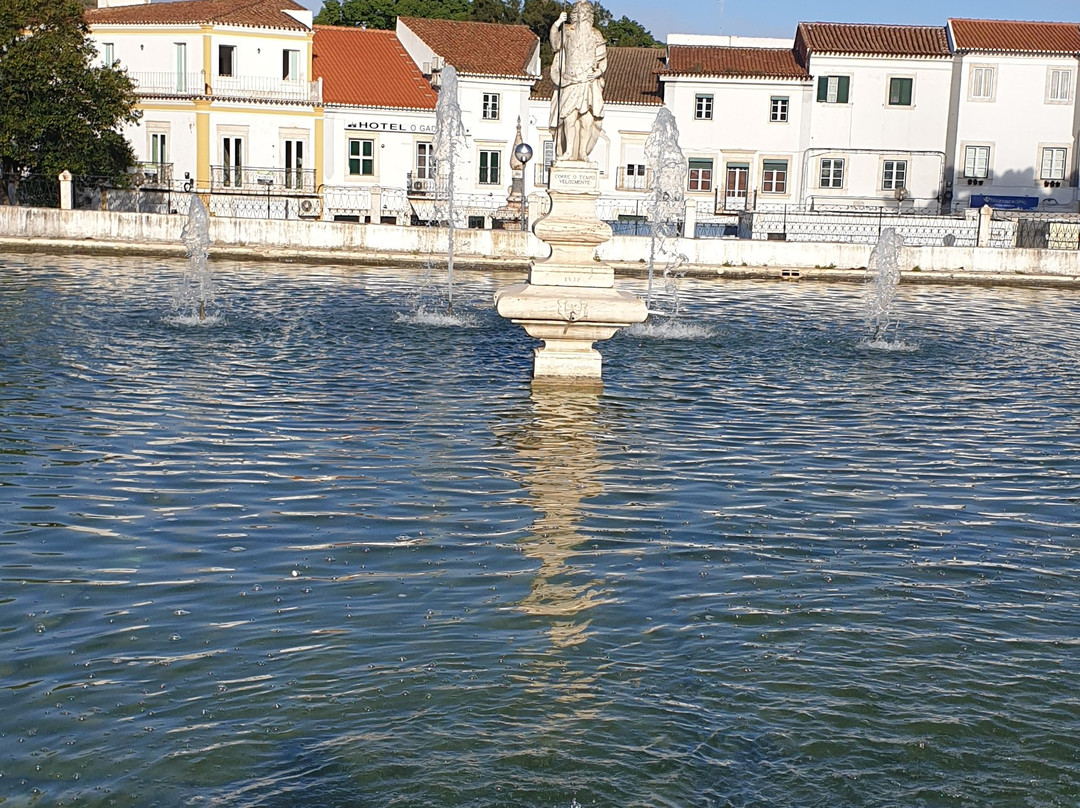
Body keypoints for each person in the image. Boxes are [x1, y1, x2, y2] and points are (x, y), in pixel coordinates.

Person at [549, 1, 607, 162]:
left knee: (587, 119)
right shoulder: (567, 31)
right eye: (582, 12)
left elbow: (603, 60)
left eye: (588, 12)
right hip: (571, 81)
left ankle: (582, 152)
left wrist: (598, 72)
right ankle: (568, 151)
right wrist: (558, 23)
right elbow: (555, 45)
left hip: (588, 82)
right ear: (575, 14)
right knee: (569, 117)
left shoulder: (596, 34)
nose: (585, 15)